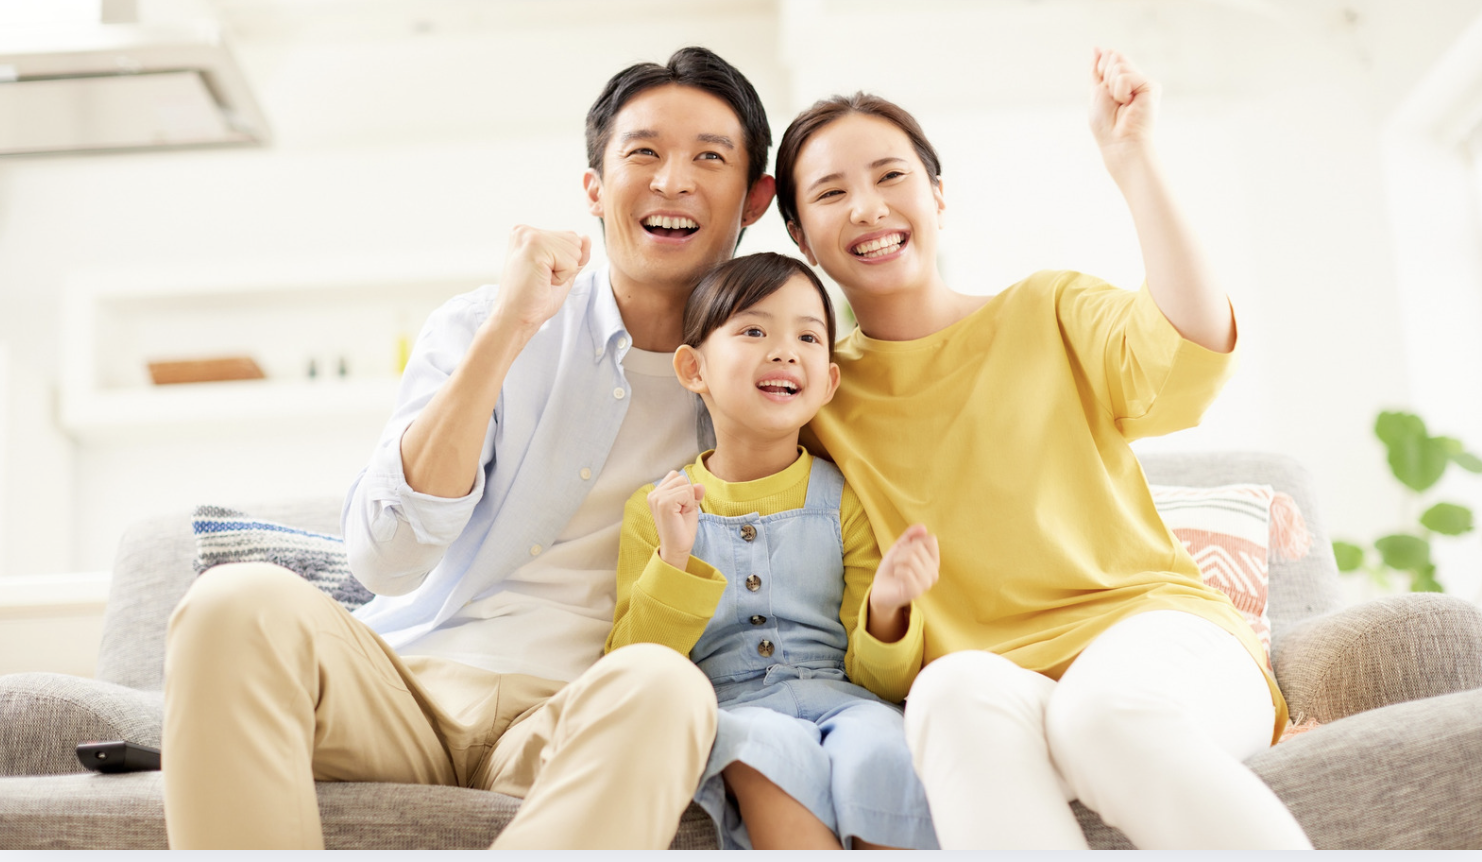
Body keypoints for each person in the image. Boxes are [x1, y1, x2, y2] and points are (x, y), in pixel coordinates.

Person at [160, 46, 777, 850]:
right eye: (644, 153)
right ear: (594, 187)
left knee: (670, 686)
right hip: (406, 686)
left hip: (578, 713)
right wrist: (509, 332)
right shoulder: (486, 322)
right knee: (230, 601)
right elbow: (385, 560)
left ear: (754, 199)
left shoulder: (778, 371)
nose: (671, 181)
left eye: (709, 157)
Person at [773, 49, 1315, 850]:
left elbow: (1192, 342)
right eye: (830, 193)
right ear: (800, 236)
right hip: (998, 680)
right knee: (946, 693)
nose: (866, 207)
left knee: (1103, 716)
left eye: (891, 177)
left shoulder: (1048, 309)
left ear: (938, 199)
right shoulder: (814, 399)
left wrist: (1133, 161)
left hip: (1154, 638)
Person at [607, 252, 941, 850]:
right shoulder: (656, 510)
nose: (785, 351)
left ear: (829, 380)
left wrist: (888, 607)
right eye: (754, 330)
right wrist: (674, 561)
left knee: (879, 751)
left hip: (847, 700)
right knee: (760, 750)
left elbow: (882, 681)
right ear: (693, 368)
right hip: (732, 708)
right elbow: (632, 670)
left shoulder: (846, 498)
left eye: (808, 336)